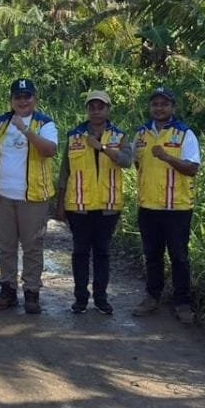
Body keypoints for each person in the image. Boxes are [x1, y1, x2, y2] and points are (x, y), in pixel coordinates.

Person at [0, 78, 58, 315]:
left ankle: (32, 292)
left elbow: (49, 150)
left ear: (35, 99)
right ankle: (7, 290)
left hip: (33, 198)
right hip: (2, 195)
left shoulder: (45, 124)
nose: (22, 101)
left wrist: (25, 129)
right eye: (18, 97)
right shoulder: (0, 123)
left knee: (33, 246)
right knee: (6, 246)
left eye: (27, 97)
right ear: (11, 100)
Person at [54, 90, 134, 315]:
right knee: (80, 252)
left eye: (101, 107)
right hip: (78, 206)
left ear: (108, 110)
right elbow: (64, 172)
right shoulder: (74, 136)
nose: (96, 111)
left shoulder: (119, 136)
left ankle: (101, 298)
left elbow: (127, 162)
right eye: (92, 107)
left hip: (108, 207)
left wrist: (103, 148)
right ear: (87, 110)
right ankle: (80, 298)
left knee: (102, 253)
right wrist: (59, 204)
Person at [130, 87, 202, 325]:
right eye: (155, 104)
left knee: (179, 257)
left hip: (177, 207)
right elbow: (136, 164)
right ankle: (152, 297)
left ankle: (182, 302)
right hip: (148, 206)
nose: (159, 108)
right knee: (152, 255)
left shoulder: (184, 134)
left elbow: (192, 168)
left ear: (173, 107)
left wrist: (167, 157)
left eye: (164, 104)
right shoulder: (141, 134)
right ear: (150, 107)